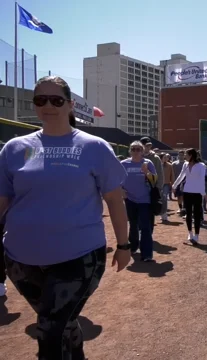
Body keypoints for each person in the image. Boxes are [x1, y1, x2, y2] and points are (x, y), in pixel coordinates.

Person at [0, 75, 130, 359]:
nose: (48, 105)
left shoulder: (94, 147)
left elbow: (114, 201)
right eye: (40, 100)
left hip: (78, 256)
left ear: (70, 105)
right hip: (21, 260)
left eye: (56, 100)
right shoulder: (14, 148)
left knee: (48, 328)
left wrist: (124, 245)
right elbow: (3, 199)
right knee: (61, 321)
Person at [121, 141, 158, 262]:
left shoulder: (148, 163)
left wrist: (146, 172)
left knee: (145, 227)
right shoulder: (123, 164)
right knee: (133, 225)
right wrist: (121, 190)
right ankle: (133, 246)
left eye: (138, 149)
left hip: (144, 200)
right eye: (133, 149)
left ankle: (147, 254)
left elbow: (154, 181)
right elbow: (116, 179)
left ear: (142, 151)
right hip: (130, 199)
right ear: (130, 151)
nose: (135, 151)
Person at [173, 148, 206, 244]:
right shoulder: (185, 165)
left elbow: (201, 181)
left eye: (186, 154)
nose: (184, 156)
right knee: (188, 214)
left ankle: (197, 235)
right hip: (187, 192)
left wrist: (203, 194)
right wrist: (174, 185)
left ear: (191, 155)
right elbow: (181, 176)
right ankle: (190, 233)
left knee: (196, 214)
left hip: (197, 193)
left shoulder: (201, 166)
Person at [140, 137, 163, 233]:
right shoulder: (136, 156)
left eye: (149, 145)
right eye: (146, 146)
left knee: (150, 212)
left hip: (151, 189)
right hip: (138, 189)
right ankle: (139, 232)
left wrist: (158, 188)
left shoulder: (155, 158)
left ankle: (149, 232)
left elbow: (160, 174)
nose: (148, 147)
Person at [161, 153, 175, 222]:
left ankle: (164, 214)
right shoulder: (158, 165)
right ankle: (159, 212)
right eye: (164, 157)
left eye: (167, 157)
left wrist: (172, 185)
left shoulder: (169, 166)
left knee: (164, 199)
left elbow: (172, 175)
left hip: (166, 184)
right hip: (158, 185)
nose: (166, 158)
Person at [172, 150, 186, 214]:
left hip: (185, 182)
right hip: (177, 182)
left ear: (184, 155)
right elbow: (172, 174)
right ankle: (180, 208)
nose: (181, 156)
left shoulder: (187, 163)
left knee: (184, 196)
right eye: (179, 155)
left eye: (182, 155)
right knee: (179, 196)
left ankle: (184, 208)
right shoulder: (174, 164)